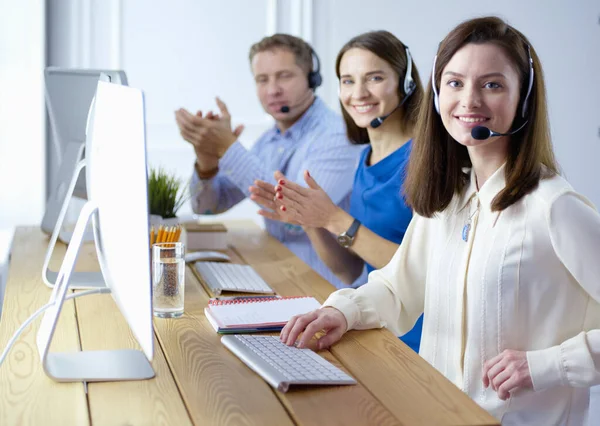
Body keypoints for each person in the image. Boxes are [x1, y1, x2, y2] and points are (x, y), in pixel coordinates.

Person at [279, 16, 600, 425]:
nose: (469, 101)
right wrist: (343, 312)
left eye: (492, 84)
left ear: (524, 97)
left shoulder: (555, 207)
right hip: (435, 411)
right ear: (436, 94)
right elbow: (399, 286)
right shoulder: (450, 198)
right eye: (455, 83)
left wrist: (547, 366)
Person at [249, 31, 425, 353]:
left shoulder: (425, 162)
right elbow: (351, 269)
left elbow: (420, 271)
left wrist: (333, 217)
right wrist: (310, 221)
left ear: (405, 83)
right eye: (347, 81)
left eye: (374, 78)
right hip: (373, 324)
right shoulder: (364, 158)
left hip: (417, 339)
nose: (358, 93)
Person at [175, 34, 363, 289]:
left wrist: (227, 147)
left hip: (329, 290)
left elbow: (298, 218)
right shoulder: (268, 141)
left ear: (312, 79)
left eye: (284, 76)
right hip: (284, 277)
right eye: (262, 79)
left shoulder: (337, 134)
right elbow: (207, 207)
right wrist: (207, 160)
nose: (272, 90)